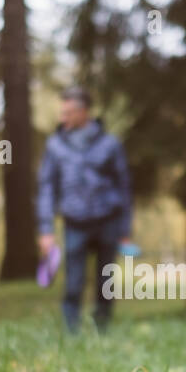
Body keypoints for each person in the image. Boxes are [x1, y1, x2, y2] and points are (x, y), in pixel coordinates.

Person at [35, 87, 133, 333]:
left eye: (68, 112)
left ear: (83, 112)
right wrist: (45, 230)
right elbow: (46, 188)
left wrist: (125, 229)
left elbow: (124, 188)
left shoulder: (110, 144)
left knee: (105, 281)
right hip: (74, 222)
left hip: (107, 220)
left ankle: (102, 330)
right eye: (62, 112)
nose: (63, 118)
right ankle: (71, 334)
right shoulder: (55, 146)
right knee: (73, 283)